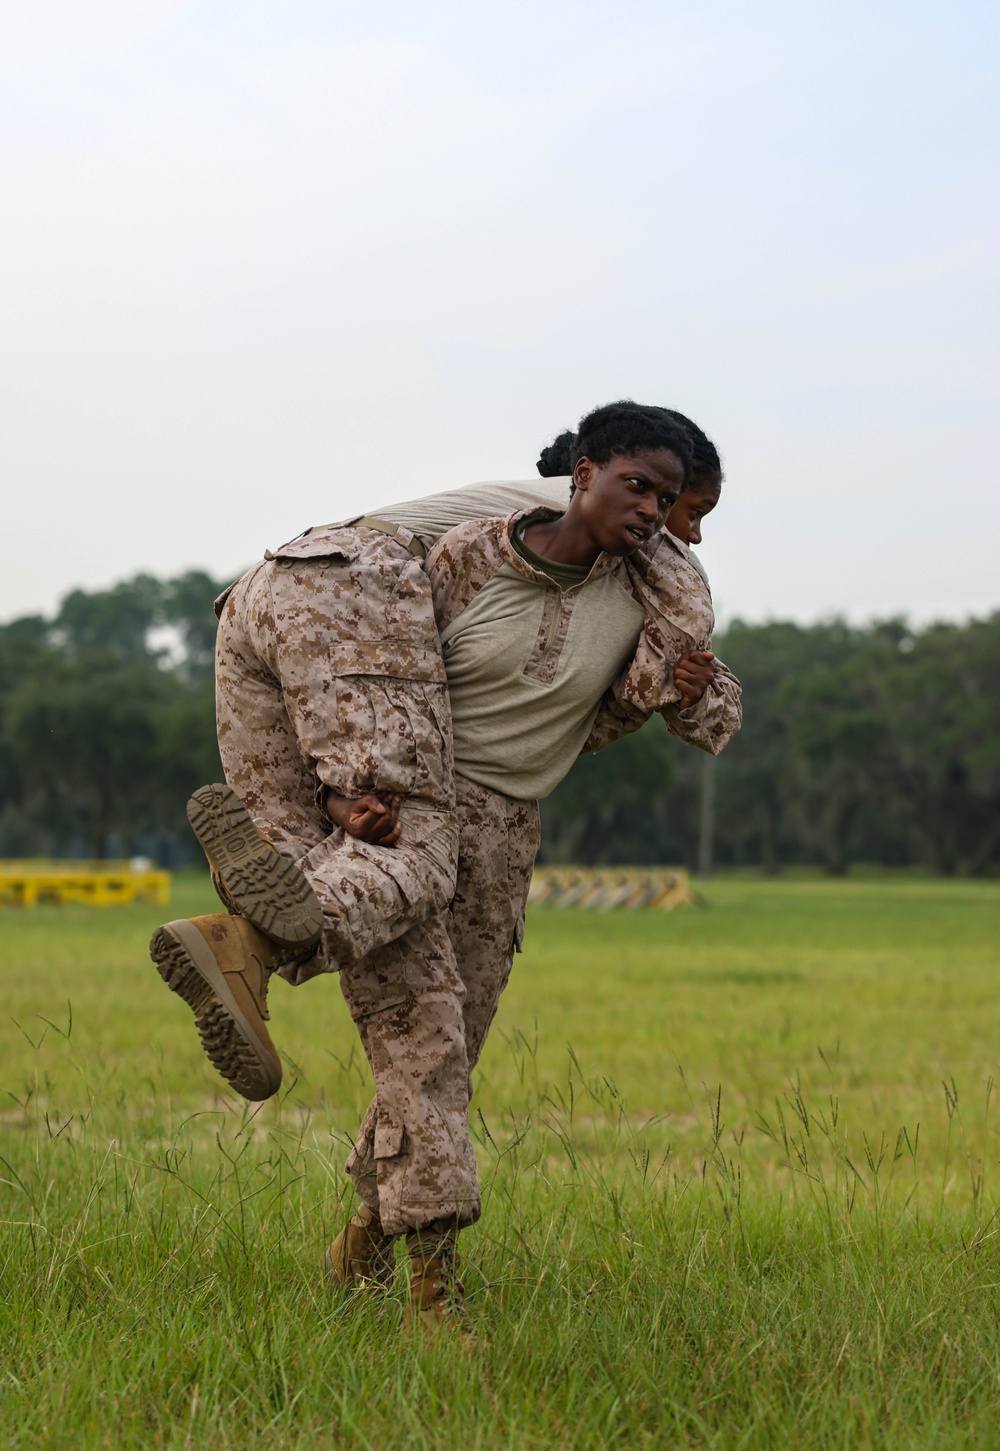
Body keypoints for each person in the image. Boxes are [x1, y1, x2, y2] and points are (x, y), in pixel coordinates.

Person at [150, 401, 741, 1330]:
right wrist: (347, 794)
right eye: (656, 495)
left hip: (509, 832)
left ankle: (363, 1232)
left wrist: (693, 685)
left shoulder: (652, 598)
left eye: (679, 506)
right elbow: (367, 676)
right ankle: (435, 1282)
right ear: (581, 474)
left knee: (444, 1056)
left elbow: (695, 709)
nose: (673, 524)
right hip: (421, 796)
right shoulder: (463, 554)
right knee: (421, 1040)